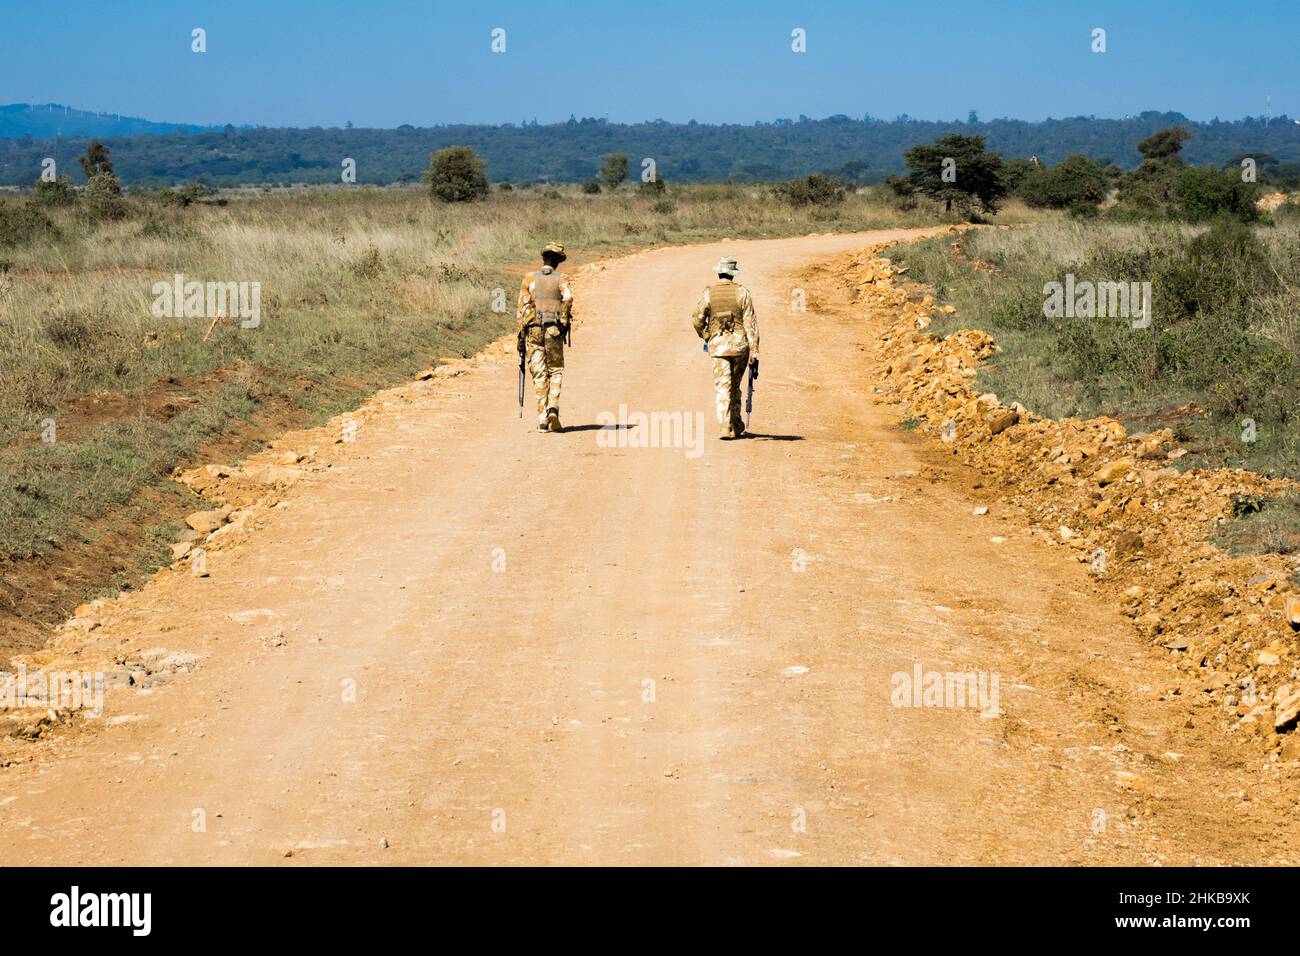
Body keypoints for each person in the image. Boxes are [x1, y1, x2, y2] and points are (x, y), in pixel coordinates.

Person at [691, 255, 759, 439]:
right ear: (733, 275)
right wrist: (755, 350)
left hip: (718, 347)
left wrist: (706, 335)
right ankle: (736, 424)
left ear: (719, 272)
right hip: (740, 347)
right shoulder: (743, 293)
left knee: (723, 386)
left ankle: (725, 425)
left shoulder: (708, 293)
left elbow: (697, 319)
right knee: (735, 386)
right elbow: (750, 324)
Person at [516, 241, 574, 432]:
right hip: (554, 331)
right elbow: (567, 297)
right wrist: (564, 321)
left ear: (543, 259)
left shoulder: (529, 279)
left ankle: (542, 419)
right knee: (555, 370)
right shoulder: (561, 278)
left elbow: (522, 309)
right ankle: (553, 409)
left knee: (539, 373)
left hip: (533, 332)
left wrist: (520, 337)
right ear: (557, 261)